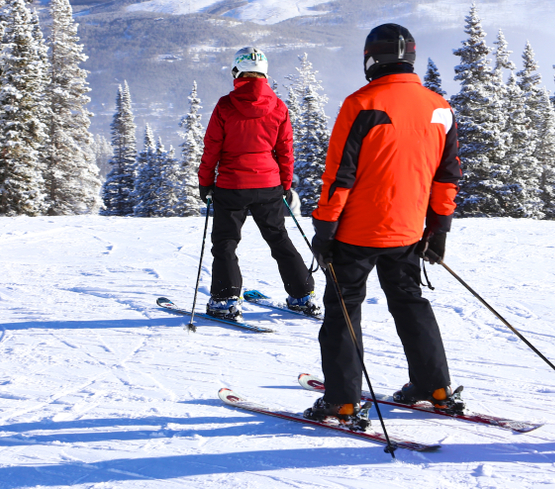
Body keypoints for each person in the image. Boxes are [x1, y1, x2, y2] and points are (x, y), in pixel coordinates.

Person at [304, 23, 462, 424]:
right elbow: (447, 177)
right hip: (409, 231)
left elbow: (339, 175)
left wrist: (324, 230)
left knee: (343, 309)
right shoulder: (439, 107)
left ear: (371, 59)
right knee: (410, 303)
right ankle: (434, 386)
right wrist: (439, 228)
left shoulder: (361, 104)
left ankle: (341, 400)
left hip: (356, 232)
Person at [198, 46, 318, 320]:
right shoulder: (278, 106)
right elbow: (285, 151)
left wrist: (205, 182)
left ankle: (225, 300)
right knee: (278, 238)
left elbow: (211, 149)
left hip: (231, 186)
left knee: (226, 243)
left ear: (237, 71)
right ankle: (302, 296)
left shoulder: (226, 105)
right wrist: (285, 184)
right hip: (269, 185)